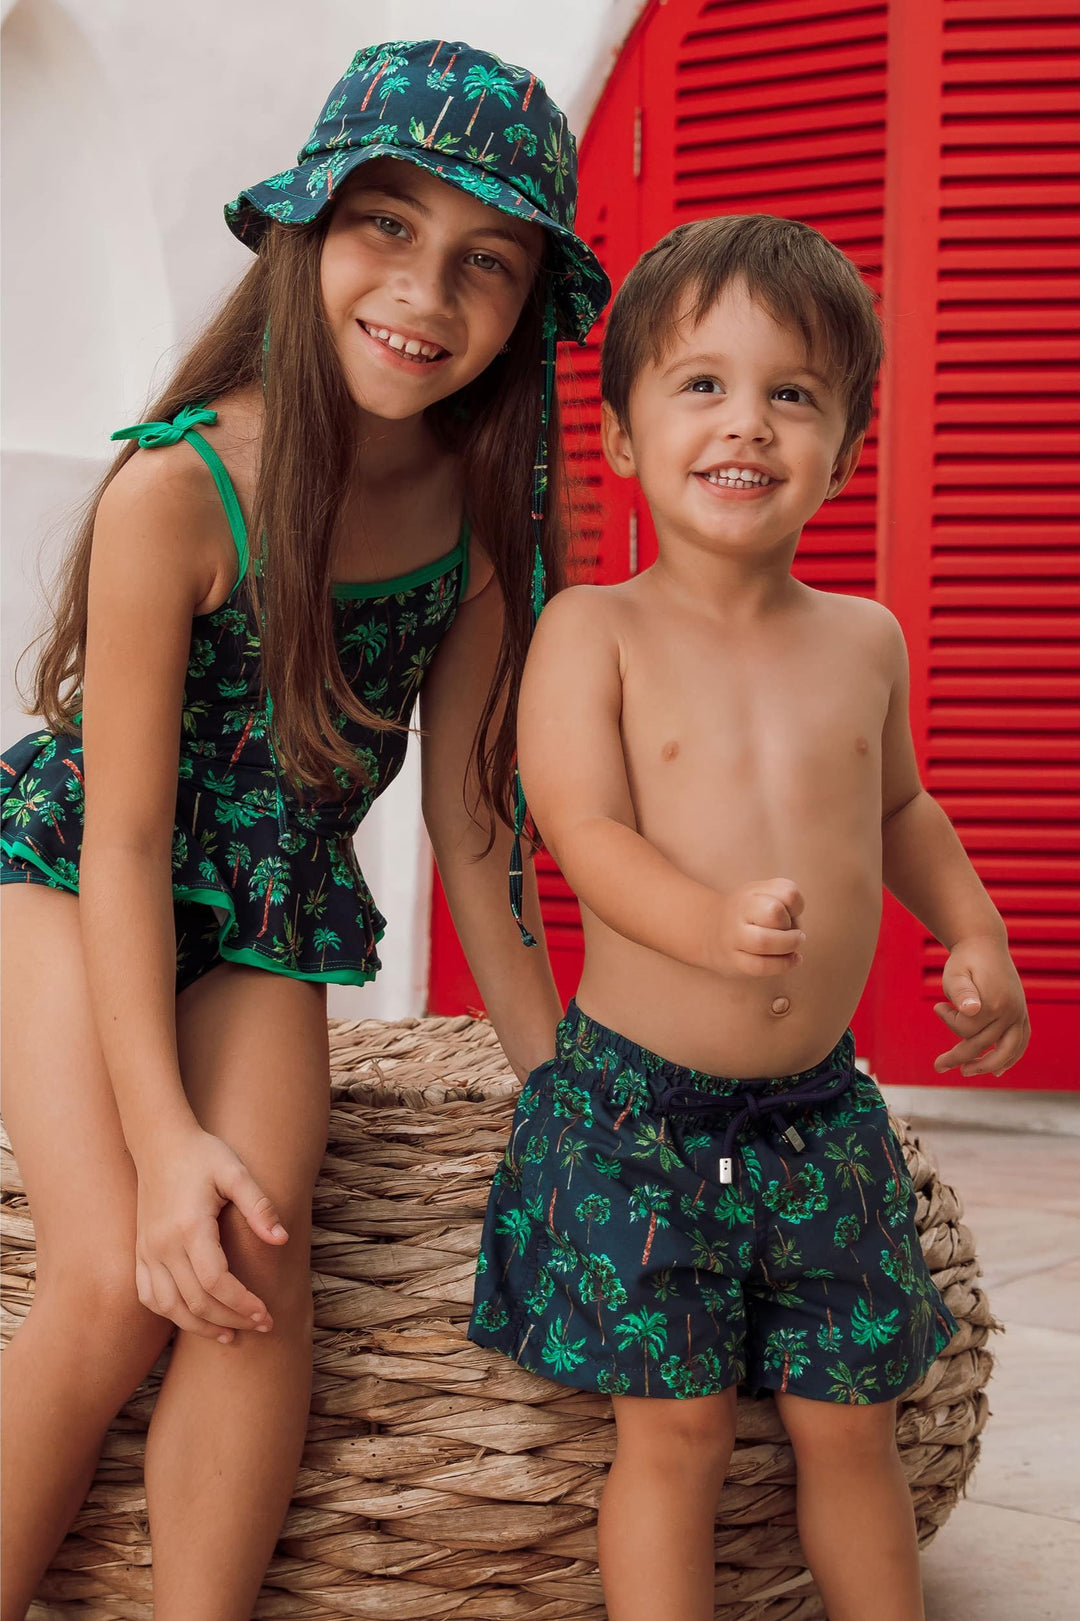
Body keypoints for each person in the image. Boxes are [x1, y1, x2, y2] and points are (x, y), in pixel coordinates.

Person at [0, 39, 608, 1618]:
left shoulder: (485, 521)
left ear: (531, 304)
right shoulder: (179, 491)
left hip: (264, 903)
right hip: (77, 877)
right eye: (386, 227)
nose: (426, 290)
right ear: (307, 236)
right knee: (112, 1278)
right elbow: (124, 847)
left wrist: (565, 1096)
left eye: (487, 262)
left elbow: (482, 840)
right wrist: (162, 1130)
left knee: (256, 1273)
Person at [469, 213, 1029, 1621]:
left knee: (855, 1419)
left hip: (819, 1111)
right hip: (637, 1112)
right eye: (702, 384)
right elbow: (583, 831)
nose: (749, 425)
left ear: (842, 449)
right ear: (618, 436)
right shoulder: (593, 630)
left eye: (794, 394)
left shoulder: (865, 640)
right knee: (679, 1426)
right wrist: (705, 924)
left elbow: (900, 812)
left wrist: (975, 931)